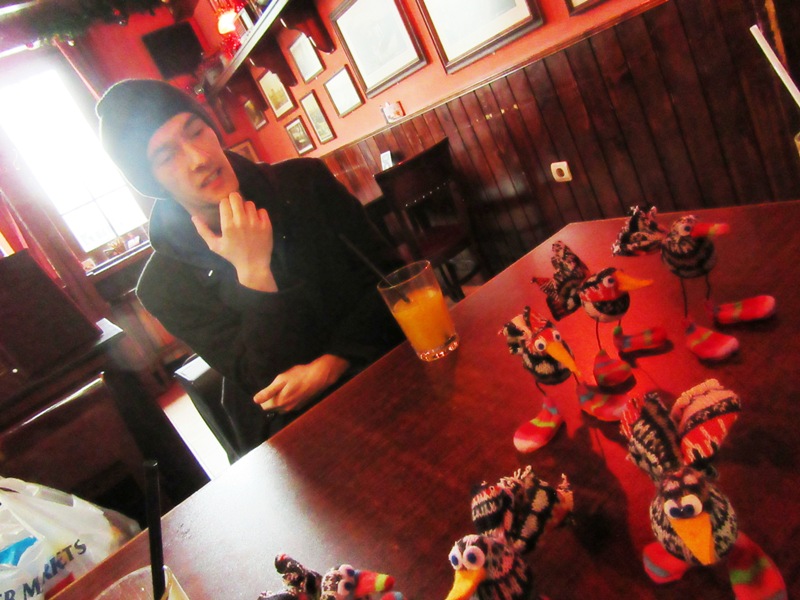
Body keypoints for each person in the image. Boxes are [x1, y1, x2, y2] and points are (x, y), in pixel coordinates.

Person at [96, 79, 403, 453]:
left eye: (195, 131)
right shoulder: (165, 286)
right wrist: (253, 271)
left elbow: (393, 279)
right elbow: (267, 381)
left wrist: (333, 362)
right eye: (166, 156)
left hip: (390, 365)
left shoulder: (305, 183)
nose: (198, 158)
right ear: (152, 181)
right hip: (305, 433)